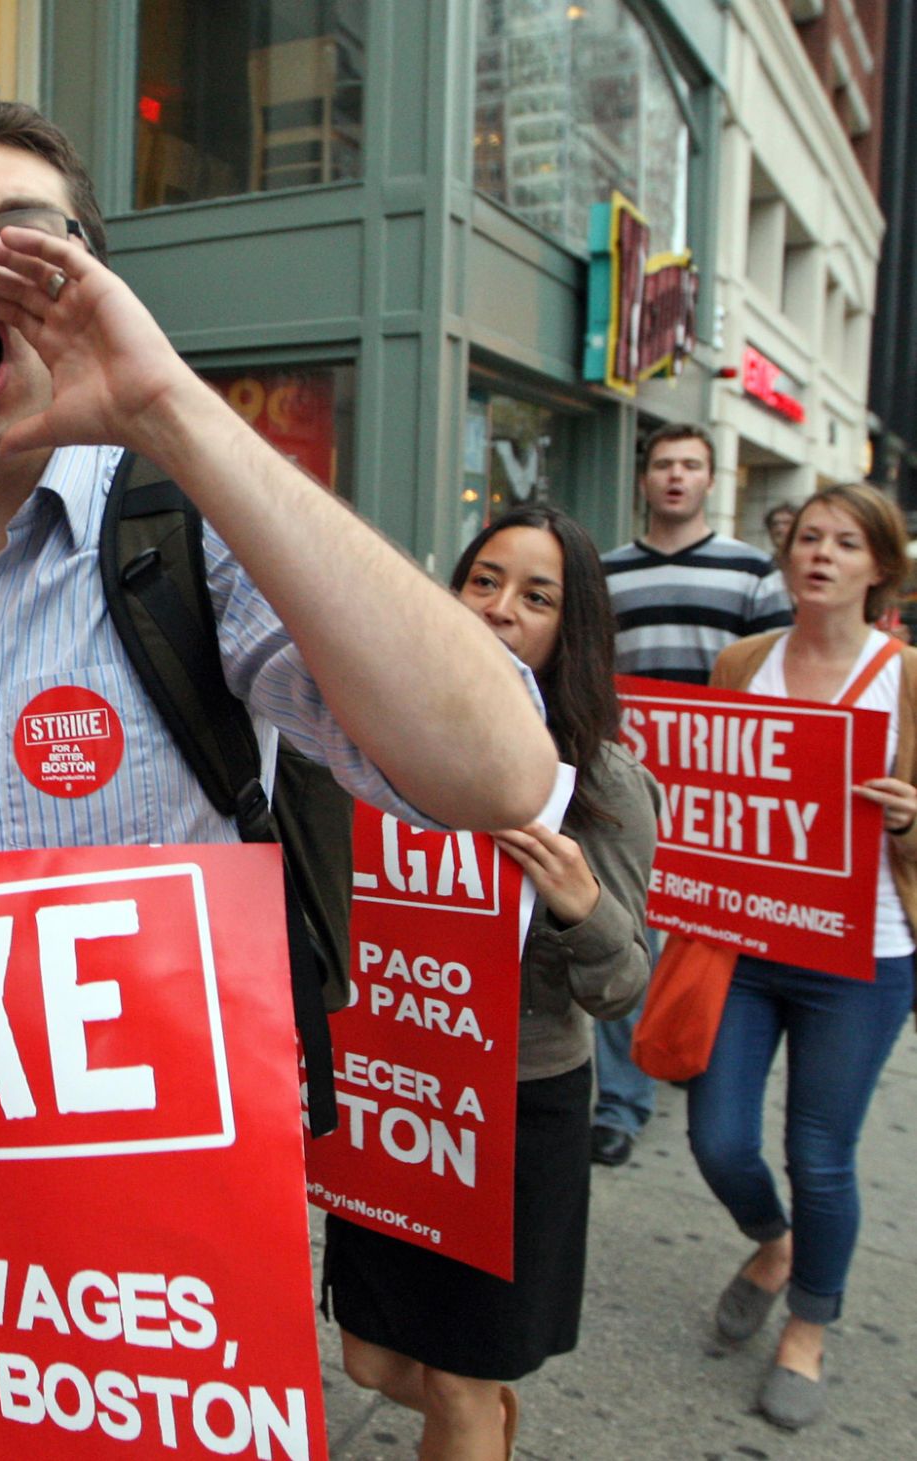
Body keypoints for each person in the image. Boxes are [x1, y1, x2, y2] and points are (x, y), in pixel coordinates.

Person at [0, 99, 555, 939]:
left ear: (97, 291)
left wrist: (173, 409)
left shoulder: (188, 531)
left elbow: (501, 777)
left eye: (24, 235)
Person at [326, 505, 659, 1461]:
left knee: (461, 1381)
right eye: (485, 581)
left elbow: (622, 985)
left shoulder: (603, 782)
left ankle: (478, 1423)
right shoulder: (368, 738)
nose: (502, 608)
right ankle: (483, 1425)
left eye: (537, 594)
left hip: (515, 1114)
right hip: (392, 1095)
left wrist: (581, 903)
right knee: (372, 1363)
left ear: (572, 626)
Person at [688, 484, 916, 1431]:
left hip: (865, 951)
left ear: (880, 566)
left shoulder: (906, 675)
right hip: (748, 938)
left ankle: (807, 1329)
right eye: (807, 537)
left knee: (821, 1153)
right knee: (719, 1137)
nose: (820, 553)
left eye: (846, 541)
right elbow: (708, 782)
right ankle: (773, 1244)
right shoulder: (744, 661)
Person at [595, 423, 792, 1166]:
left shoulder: (755, 574)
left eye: (692, 465)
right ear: (643, 478)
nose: (676, 476)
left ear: (712, 479)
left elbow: (779, 688)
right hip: (629, 785)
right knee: (628, 934)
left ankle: (686, 1051)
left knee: (707, 943)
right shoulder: (606, 571)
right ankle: (620, 1100)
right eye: (664, 464)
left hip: (723, 796)